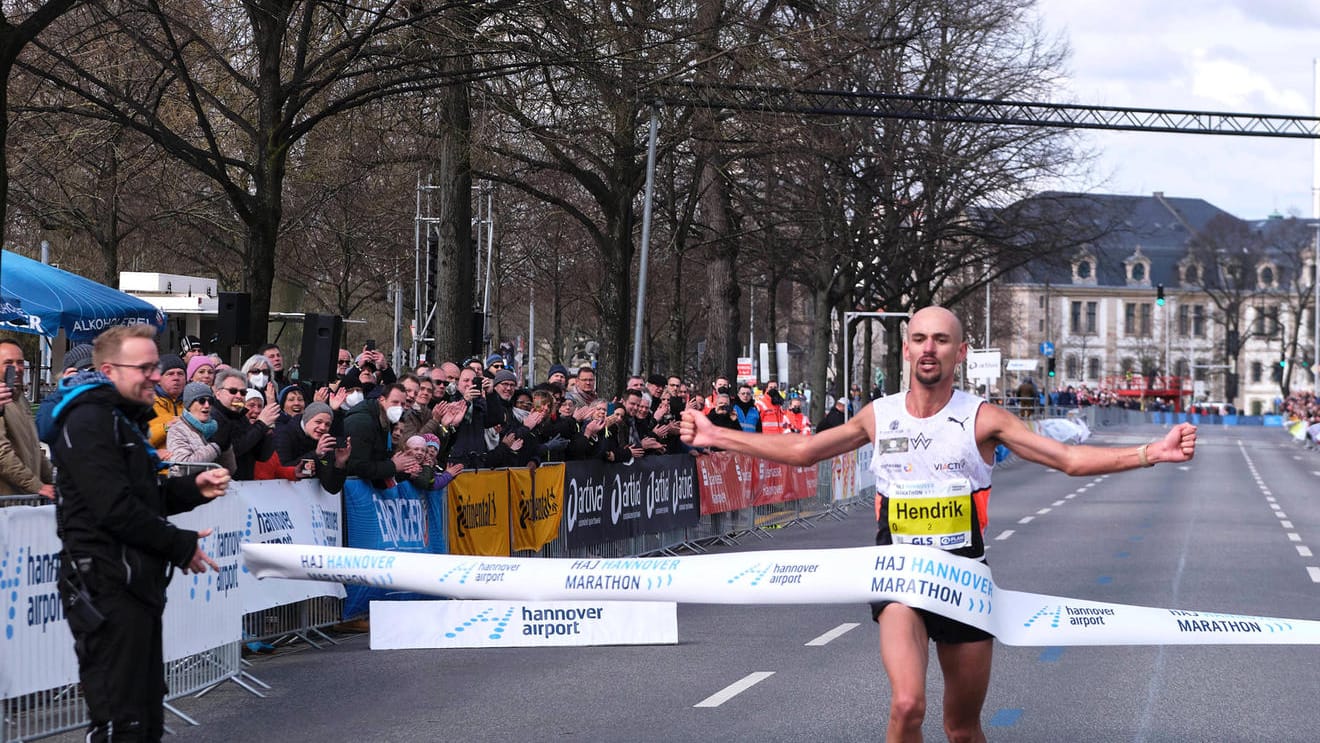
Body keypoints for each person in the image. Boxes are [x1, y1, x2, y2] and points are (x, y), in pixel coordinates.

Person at [679, 306, 1198, 743]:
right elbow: (802, 450)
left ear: (960, 352)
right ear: (906, 350)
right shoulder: (878, 415)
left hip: (964, 580)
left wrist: (1152, 451)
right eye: (921, 339)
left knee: (963, 730)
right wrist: (715, 436)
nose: (930, 348)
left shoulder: (985, 418)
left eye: (942, 340)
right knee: (907, 705)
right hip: (899, 578)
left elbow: (1068, 460)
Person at [51, 324, 230, 742]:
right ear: (110, 370)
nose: (155, 375)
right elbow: (113, 508)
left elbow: (143, 494)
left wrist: (191, 490)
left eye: (155, 365)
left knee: (145, 716)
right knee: (122, 720)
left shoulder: (122, 420)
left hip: (134, 584)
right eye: (145, 367)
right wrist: (180, 545)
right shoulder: (88, 420)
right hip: (105, 585)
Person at [0, 339, 53, 498]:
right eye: (8, 363)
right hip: (7, 505)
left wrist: (52, 481)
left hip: (25, 502)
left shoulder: (20, 398)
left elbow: (34, 447)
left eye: (20, 362)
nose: (16, 368)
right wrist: (37, 486)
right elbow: (2, 455)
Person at [166, 382, 235, 476]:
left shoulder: (216, 427)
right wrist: (215, 447)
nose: (207, 405)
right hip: (188, 488)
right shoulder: (177, 429)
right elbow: (181, 466)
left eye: (210, 401)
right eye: (201, 400)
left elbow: (230, 470)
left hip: (214, 488)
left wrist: (226, 448)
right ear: (189, 405)